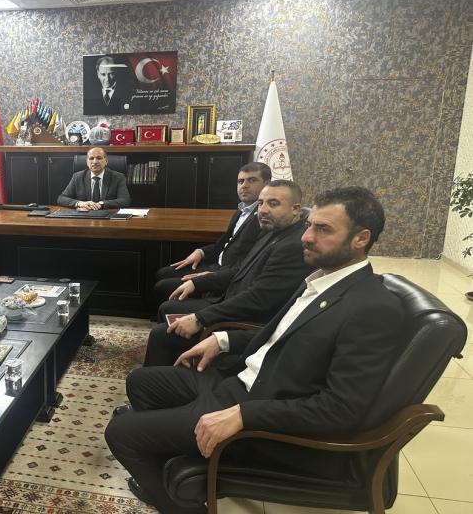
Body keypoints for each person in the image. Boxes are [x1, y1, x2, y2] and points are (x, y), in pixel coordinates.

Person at [105, 186, 404, 514]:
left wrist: (244, 415)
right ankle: (178, 461)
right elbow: (277, 335)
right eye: (309, 226)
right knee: (141, 382)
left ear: (361, 239)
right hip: (236, 382)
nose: (306, 237)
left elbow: (341, 410)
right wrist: (221, 341)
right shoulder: (322, 280)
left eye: (323, 229)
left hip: (258, 413)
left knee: (121, 432)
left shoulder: (372, 308)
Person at [145, 180, 312, 367]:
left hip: (244, 323)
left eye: (273, 204)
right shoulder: (271, 230)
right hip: (230, 300)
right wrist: (201, 281)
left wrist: (200, 318)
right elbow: (240, 269)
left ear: (295, 209)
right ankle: (175, 367)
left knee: (161, 334)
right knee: (168, 307)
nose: (263, 210)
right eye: (261, 203)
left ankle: (169, 375)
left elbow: (258, 299)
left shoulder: (294, 246)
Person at [154, 162, 270, 302]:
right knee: (163, 273)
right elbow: (224, 244)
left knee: (162, 286)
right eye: (240, 181)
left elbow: (248, 264)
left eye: (252, 180)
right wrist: (200, 252)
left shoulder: (264, 218)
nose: (244, 186)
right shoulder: (242, 210)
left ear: (267, 184)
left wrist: (211, 276)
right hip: (217, 265)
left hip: (228, 275)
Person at [57, 147, 131, 210]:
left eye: (99, 158)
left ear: (106, 161)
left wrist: (101, 204)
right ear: (87, 162)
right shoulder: (78, 177)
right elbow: (62, 198)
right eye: (91, 158)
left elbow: (125, 200)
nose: (95, 162)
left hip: (107, 215)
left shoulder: (118, 177)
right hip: (85, 215)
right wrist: (79, 203)